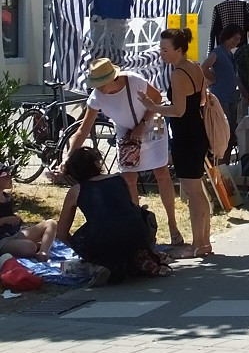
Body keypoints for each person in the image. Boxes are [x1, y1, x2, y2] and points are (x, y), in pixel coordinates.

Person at [68, 58, 183, 247]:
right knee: (128, 178)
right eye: (96, 84)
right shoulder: (97, 96)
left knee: (161, 173)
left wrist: (143, 124)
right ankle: (138, 227)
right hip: (126, 133)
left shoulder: (134, 80)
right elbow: (84, 128)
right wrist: (69, 156)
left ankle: (173, 226)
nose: (99, 89)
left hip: (153, 126)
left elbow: (157, 99)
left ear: (113, 78)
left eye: (101, 84)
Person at [137, 27, 212, 258]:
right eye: (160, 48)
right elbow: (199, 100)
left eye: (165, 49)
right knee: (198, 190)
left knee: (193, 192)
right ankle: (204, 242)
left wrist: (152, 106)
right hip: (196, 131)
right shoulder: (195, 67)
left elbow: (178, 110)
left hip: (186, 135)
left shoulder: (179, 73)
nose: (161, 53)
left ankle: (198, 244)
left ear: (178, 50)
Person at [55, 147, 168, 285]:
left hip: (102, 241)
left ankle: (95, 266)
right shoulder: (119, 179)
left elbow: (61, 233)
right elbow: (130, 209)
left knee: (85, 238)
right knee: (132, 219)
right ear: (97, 164)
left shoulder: (76, 191)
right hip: (135, 236)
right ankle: (135, 257)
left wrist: (82, 248)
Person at [202, 22, 244, 157]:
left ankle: (225, 163)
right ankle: (221, 164)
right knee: (223, 132)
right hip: (221, 98)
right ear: (226, 36)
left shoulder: (230, 54)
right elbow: (203, 67)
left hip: (232, 97)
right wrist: (213, 79)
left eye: (238, 38)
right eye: (234, 38)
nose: (236, 41)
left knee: (231, 132)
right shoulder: (218, 52)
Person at [0, 163, 57, 260]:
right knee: (30, 247)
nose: (10, 177)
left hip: (15, 235)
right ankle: (35, 247)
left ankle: (43, 252)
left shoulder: (7, 197)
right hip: (2, 241)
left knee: (51, 223)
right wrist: (4, 220)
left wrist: (15, 219)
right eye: (6, 176)